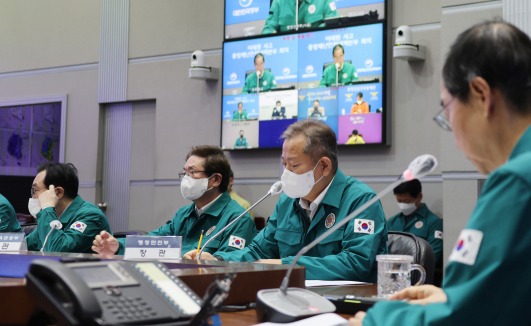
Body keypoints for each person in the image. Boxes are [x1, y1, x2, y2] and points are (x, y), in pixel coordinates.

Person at [351, 21, 531, 326]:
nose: (455, 137)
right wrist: (455, 299)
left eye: (447, 113)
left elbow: (465, 322)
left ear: (480, 95)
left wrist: (377, 321)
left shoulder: (524, 180)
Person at [185, 119, 388, 281]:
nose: (286, 173)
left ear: (324, 166)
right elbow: (258, 250)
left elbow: (355, 264)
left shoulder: (361, 201)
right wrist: (218, 259)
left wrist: (286, 265)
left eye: (294, 165)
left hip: (348, 306)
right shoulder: (287, 202)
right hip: (290, 297)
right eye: (284, 164)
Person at [92, 146, 256, 258]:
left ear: (215, 180)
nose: (185, 179)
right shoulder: (184, 214)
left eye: (192, 172)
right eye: (184, 173)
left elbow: (232, 267)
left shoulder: (237, 219)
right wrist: (118, 246)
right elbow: (154, 241)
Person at [27, 163, 111, 253]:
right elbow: (25, 245)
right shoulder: (55, 216)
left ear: (58, 192)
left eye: (35, 190)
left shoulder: (90, 215)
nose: (33, 197)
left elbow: (56, 251)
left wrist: (47, 208)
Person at [387, 179, 443, 269]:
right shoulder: (392, 221)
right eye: (399, 201)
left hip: (418, 274)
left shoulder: (433, 222)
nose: (403, 205)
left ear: (419, 197)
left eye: (407, 201)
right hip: (391, 272)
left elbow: (432, 258)